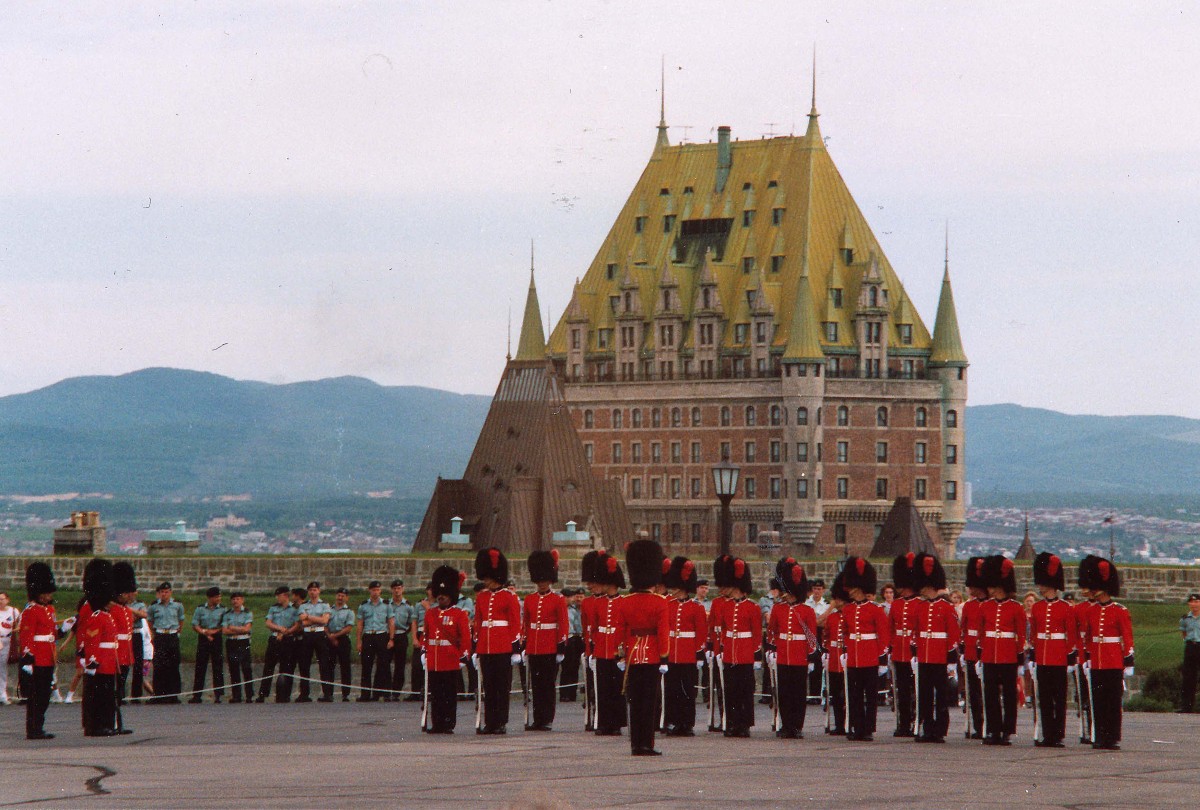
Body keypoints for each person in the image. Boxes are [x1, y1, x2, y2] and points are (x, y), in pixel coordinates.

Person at [615, 539, 671, 756]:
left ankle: (635, 744)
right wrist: (664, 658)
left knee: (634, 702)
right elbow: (663, 633)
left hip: (631, 657)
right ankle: (646, 744)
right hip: (652, 657)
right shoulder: (660, 602)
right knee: (649, 704)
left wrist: (620, 656)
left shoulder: (625, 602)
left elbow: (621, 631)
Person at [1080, 556, 1133, 750]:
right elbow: (1088, 638)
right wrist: (1086, 658)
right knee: (1099, 701)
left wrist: (1128, 661)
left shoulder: (1119, 610)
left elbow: (1127, 637)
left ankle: (1113, 737)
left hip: (1113, 660)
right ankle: (1100, 735)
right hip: (1097, 661)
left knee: (1112, 701)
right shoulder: (1091, 611)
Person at [976, 555, 1026, 746]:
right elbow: (981, 633)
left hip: (1008, 655)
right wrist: (981, 654)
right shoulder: (985, 607)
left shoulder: (1016, 608)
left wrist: (1020, 658)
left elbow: (1020, 636)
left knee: (1009, 695)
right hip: (990, 654)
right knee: (990, 695)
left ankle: (1007, 730)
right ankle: (993, 729)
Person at [1029, 552, 1076, 748]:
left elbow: (1070, 636)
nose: (1039, 585)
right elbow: (1034, 634)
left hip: (1059, 658)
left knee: (1059, 699)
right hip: (1042, 657)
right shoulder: (1037, 607)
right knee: (1045, 698)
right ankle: (1048, 734)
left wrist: (1069, 658)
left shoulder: (1066, 608)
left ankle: (1057, 734)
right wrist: (1033, 655)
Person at [839, 556, 889, 742]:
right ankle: (856, 726)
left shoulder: (875, 610)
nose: (849, 591)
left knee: (870, 696)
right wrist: (846, 650)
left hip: (870, 656)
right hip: (854, 656)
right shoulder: (848, 609)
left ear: (858, 588)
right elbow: (844, 632)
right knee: (854, 695)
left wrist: (881, 659)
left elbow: (883, 636)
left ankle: (868, 728)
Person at [910, 553, 959, 744]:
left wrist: (950, 659)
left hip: (940, 657)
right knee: (925, 694)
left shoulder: (946, 607)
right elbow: (915, 632)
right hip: (924, 656)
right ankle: (927, 727)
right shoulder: (920, 607)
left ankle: (940, 729)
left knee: (941, 696)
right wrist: (915, 653)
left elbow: (953, 635)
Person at [473, 548, 522, 734]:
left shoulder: (509, 597)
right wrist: (477, 647)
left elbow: (515, 623)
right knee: (489, 687)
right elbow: (478, 623)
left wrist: (515, 648)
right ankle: (490, 722)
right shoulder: (482, 597)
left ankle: (500, 721)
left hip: (503, 647)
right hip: (486, 647)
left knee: (502, 687)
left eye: (488, 576)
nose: (485, 580)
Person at [767, 559, 817, 739]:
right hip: (783, 655)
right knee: (784, 692)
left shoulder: (806, 611)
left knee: (798, 693)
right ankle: (786, 724)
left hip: (799, 656)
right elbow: (772, 632)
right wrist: (772, 650)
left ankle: (796, 725)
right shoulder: (778, 609)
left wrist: (810, 658)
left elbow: (811, 638)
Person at [422, 566, 471, 734]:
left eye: (445, 594)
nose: (441, 597)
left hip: (450, 660)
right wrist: (424, 652)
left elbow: (465, 637)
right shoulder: (430, 614)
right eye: (439, 594)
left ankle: (448, 723)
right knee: (435, 694)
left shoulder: (459, 614)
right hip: (435, 659)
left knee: (449, 695)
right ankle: (437, 723)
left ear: (451, 596)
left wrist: (463, 656)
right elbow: (426, 636)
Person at [523, 550, 568, 731]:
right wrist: (524, 643)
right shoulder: (530, 599)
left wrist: (560, 646)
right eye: (539, 581)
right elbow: (526, 623)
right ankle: (538, 719)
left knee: (547, 686)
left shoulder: (558, 600)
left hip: (550, 647)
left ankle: (547, 718)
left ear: (550, 580)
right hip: (534, 646)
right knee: (536, 685)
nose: (542, 584)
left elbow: (563, 624)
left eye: (545, 581)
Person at [662, 556, 705, 737]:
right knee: (672, 690)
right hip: (671, 654)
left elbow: (701, 633)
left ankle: (686, 723)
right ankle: (672, 721)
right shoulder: (667, 604)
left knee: (688, 690)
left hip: (688, 654)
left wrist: (699, 654)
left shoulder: (696, 608)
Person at [720, 557, 761, 738]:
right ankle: (732, 723)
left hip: (745, 653)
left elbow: (757, 633)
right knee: (730, 690)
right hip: (730, 652)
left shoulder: (752, 607)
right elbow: (722, 629)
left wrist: (755, 655)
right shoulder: (726, 606)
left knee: (744, 690)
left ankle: (744, 724)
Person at [80, 558, 121, 737]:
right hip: (101, 663)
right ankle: (96, 726)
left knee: (107, 696)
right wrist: (93, 661)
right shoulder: (97, 616)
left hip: (109, 661)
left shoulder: (106, 615)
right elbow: (93, 642)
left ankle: (106, 724)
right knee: (99, 697)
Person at [590, 549, 627, 737]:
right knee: (603, 688)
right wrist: (594, 649)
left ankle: (616, 723)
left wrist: (623, 652)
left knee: (616, 689)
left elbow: (626, 629)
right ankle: (604, 722)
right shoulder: (598, 603)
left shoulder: (624, 603)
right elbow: (595, 628)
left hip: (616, 651)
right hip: (602, 648)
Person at [21, 563, 58, 739]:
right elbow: (27, 635)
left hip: (48, 656)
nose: (49, 596)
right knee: (36, 696)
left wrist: (66, 626)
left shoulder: (49, 610)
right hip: (37, 658)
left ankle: (39, 726)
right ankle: (33, 729)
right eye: (46, 593)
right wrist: (28, 659)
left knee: (44, 695)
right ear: (38, 593)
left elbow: (53, 634)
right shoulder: (30, 611)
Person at [889, 554, 919, 737]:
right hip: (899, 651)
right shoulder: (896, 604)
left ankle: (916, 720)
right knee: (901, 689)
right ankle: (904, 722)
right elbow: (891, 628)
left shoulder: (919, 603)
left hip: (913, 652)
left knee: (915, 689)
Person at [959, 557, 987, 739]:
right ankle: (978, 725)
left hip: (987, 653)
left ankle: (989, 725)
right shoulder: (969, 606)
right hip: (971, 653)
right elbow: (964, 630)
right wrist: (963, 651)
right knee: (974, 693)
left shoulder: (990, 605)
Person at [706, 556, 733, 732]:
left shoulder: (731, 604)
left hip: (728, 647)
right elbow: (711, 627)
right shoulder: (716, 602)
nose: (721, 590)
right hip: (717, 649)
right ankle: (722, 717)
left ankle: (728, 718)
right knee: (718, 686)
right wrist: (710, 647)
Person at [147, 581, 185, 703]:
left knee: (173, 665)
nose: (164, 594)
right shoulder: (154, 606)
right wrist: (153, 634)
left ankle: (173, 695)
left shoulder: (178, 605)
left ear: (170, 592)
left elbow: (181, 620)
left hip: (172, 635)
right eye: (162, 592)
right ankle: (159, 694)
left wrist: (178, 632)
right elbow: (150, 621)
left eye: (167, 592)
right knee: (159, 665)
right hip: (160, 635)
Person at [110, 562, 137, 733]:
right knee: (115, 691)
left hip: (126, 654)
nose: (129, 596)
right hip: (117, 655)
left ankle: (118, 723)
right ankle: (115, 723)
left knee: (120, 691)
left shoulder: (126, 611)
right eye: (127, 593)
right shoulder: (112, 610)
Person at [256, 586, 296, 703]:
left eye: (279, 595)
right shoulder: (273, 608)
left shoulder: (294, 609)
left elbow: (297, 624)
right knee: (269, 666)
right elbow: (268, 623)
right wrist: (280, 629)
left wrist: (287, 632)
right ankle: (263, 694)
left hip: (287, 639)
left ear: (285, 596)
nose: (277, 598)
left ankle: (284, 695)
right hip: (274, 638)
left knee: (286, 667)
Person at [355, 580, 393, 702]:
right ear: (369, 591)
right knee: (366, 665)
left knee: (384, 666)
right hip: (368, 636)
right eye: (373, 590)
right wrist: (359, 641)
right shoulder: (364, 606)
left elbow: (391, 622)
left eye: (377, 590)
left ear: (380, 591)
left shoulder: (387, 605)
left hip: (381, 635)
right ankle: (365, 694)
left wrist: (391, 639)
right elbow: (360, 624)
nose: (375, 592)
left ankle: (383, 693)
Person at [297, 581, 334, 702]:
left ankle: (327, 693)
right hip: (307, 634)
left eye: (315, 590)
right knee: (304, 664)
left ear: (319, 591)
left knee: (324, 664)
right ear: (308, 592)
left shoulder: (324, 605)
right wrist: (315, 619)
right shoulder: (303, 606)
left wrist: (309, 617)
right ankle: (304, 693)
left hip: (319, 633)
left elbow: (324, 621)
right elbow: (303, 622)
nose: (313, 592)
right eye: (311, 590)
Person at [190, 586, 226, 704]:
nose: (218, 599)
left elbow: (224, 625)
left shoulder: (223, 609)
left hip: (216, 637)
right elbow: (195, 624)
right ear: (210, 598)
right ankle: (197, 695)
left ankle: (218, 694)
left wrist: (213, 632)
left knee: (217, 666)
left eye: (219, 596)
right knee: (200, 666)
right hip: (204, 638)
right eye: (216, 597)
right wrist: (205, 632)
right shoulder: (200, 609)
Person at [823, 577, 848, 736]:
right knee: (836, 695)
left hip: (846, 659)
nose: (835, 601)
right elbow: (825, 636)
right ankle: (839, 724)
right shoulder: (832, 617)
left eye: (837, 599)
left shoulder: (850, 614)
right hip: (834, 660)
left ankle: (848, 722)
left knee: (847, 695)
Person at [222, 592, 254, 703]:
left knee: (246, 668)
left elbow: (247, 629)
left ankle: (249, 695)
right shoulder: (227, 614)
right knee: (233, 669)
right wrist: (237, 629)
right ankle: (236, 695)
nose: (236, 601)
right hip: (231, 642)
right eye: (234, 599)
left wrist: (232, 628)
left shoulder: (247, 612)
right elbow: (224, 630)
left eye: (238, 599)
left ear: (242, 600)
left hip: (243, 641)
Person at [388, 579, 416, 702]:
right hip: (388, 636)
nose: (397, 590)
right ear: (391, 590)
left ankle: (396, 691)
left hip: (401, 635)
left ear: (402, 589)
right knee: (385, 663)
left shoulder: (408, 606)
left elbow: (411, 623)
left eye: (399, 588)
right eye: (394, 588)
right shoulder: (387, 604)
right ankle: (387, 690)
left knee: (400, 665)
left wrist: (405, 632)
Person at [327, 588, 355, 701]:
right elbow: (325, 623)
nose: (340, 598)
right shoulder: (329, 610)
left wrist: (336, 636)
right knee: (329, 667)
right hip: (329, 638)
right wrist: (330, 636)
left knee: (345, 667)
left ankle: (345, 694)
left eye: (343, 596)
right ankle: (328, 693)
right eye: (338, 595)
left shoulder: (349, 612)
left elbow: (348, 628)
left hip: (343, 639)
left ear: (346, 598)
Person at [806, 579, 830, 702]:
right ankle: (812, 695)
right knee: (810, 663)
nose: (817, 591)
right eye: (815, 589)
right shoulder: (806, 603)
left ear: (823, 590)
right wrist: (818, 620)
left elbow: (827, 622)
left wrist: (815, 621)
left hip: (821, 635)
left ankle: (819, 695)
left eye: (819, 589)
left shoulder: (827, 604)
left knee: (820, 664)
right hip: (809, 635)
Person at [559, 588, 584, 702]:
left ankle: (572, 693)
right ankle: (564, 693)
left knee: (573, 667)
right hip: (565, 638)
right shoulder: (561, 609)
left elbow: (578, 625)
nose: (570, 599)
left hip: (574, 638)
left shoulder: (574, 610)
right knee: (565, 668)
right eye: (568, 597)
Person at [757, 579, 780, 706]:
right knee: (768, 663)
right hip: (768, 634)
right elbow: (768, 617)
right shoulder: (765, 600)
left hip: (779, 635)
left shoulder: (782, 601)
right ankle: (766, 693)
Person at [410, 586, 434, 702]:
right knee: (417, 664)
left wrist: (428, 608)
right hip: (421, 632)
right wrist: (414, 638)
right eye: (430, 589)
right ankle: (415, 692)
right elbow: (414, 622)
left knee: (430, 664)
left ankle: (430, 691)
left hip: (432, 633)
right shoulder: (419, 605)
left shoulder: (439, 605)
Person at [1180, 593, 1200, 713]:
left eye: (1197, 602)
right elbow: (1184, 633)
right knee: (1188, 678)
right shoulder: (1185, 618)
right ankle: (1186, 707)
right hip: (1190, 647)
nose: (1194, 605)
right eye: (1192, 602)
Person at [0, 590, 20, 705]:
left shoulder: (13, 611)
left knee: (2, 667)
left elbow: (20, 623)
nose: (0, 601)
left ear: (7, 600)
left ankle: (3, 693)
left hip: (7, 640)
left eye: (2, 599)